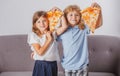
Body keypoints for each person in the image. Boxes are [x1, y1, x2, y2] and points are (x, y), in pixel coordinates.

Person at [57, 2, 103, 76]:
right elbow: (50, 38)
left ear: (80, 17)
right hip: (67, 66)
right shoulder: (62, 30)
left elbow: (99, 24)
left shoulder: (83, 28)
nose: (74, 17)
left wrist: (99, 11)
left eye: (77, 15)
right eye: (71, 15)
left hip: (82, 66)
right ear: (65, 17)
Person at [27, 7, 68, 76]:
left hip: (52, 65)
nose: (42, 24)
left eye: (44, 21)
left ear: (48, 21)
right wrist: (49, 40)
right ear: (35, 24)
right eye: (38, 21)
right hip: (41, 65)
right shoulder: (33, 35)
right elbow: (40, 52)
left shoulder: (52, 33)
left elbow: (65, 26)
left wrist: (60, 12)